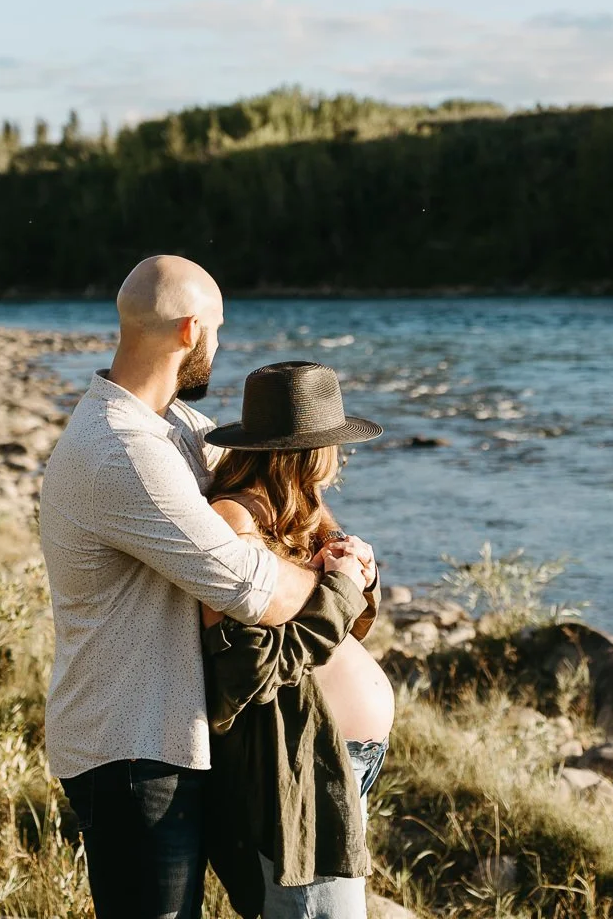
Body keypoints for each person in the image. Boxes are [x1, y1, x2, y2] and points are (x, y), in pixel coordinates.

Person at [38, 257, 376, 919]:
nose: (218, 346)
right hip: (132, 747)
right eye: (218, 330)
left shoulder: (175, 429)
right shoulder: (122, 448)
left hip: (172, 737)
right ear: (192, 329)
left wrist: (342, 549)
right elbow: (251, 585)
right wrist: (337, 579)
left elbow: (277, 501)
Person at [201, 361, 392, 919]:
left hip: (338, 757)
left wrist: (363, 573)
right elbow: (250, 673)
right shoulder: (234, 519)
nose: (340, 461)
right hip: (298, 762)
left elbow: (347, 626)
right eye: (334, 447)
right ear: (310, 452)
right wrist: (339, 586)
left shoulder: (297, 510)